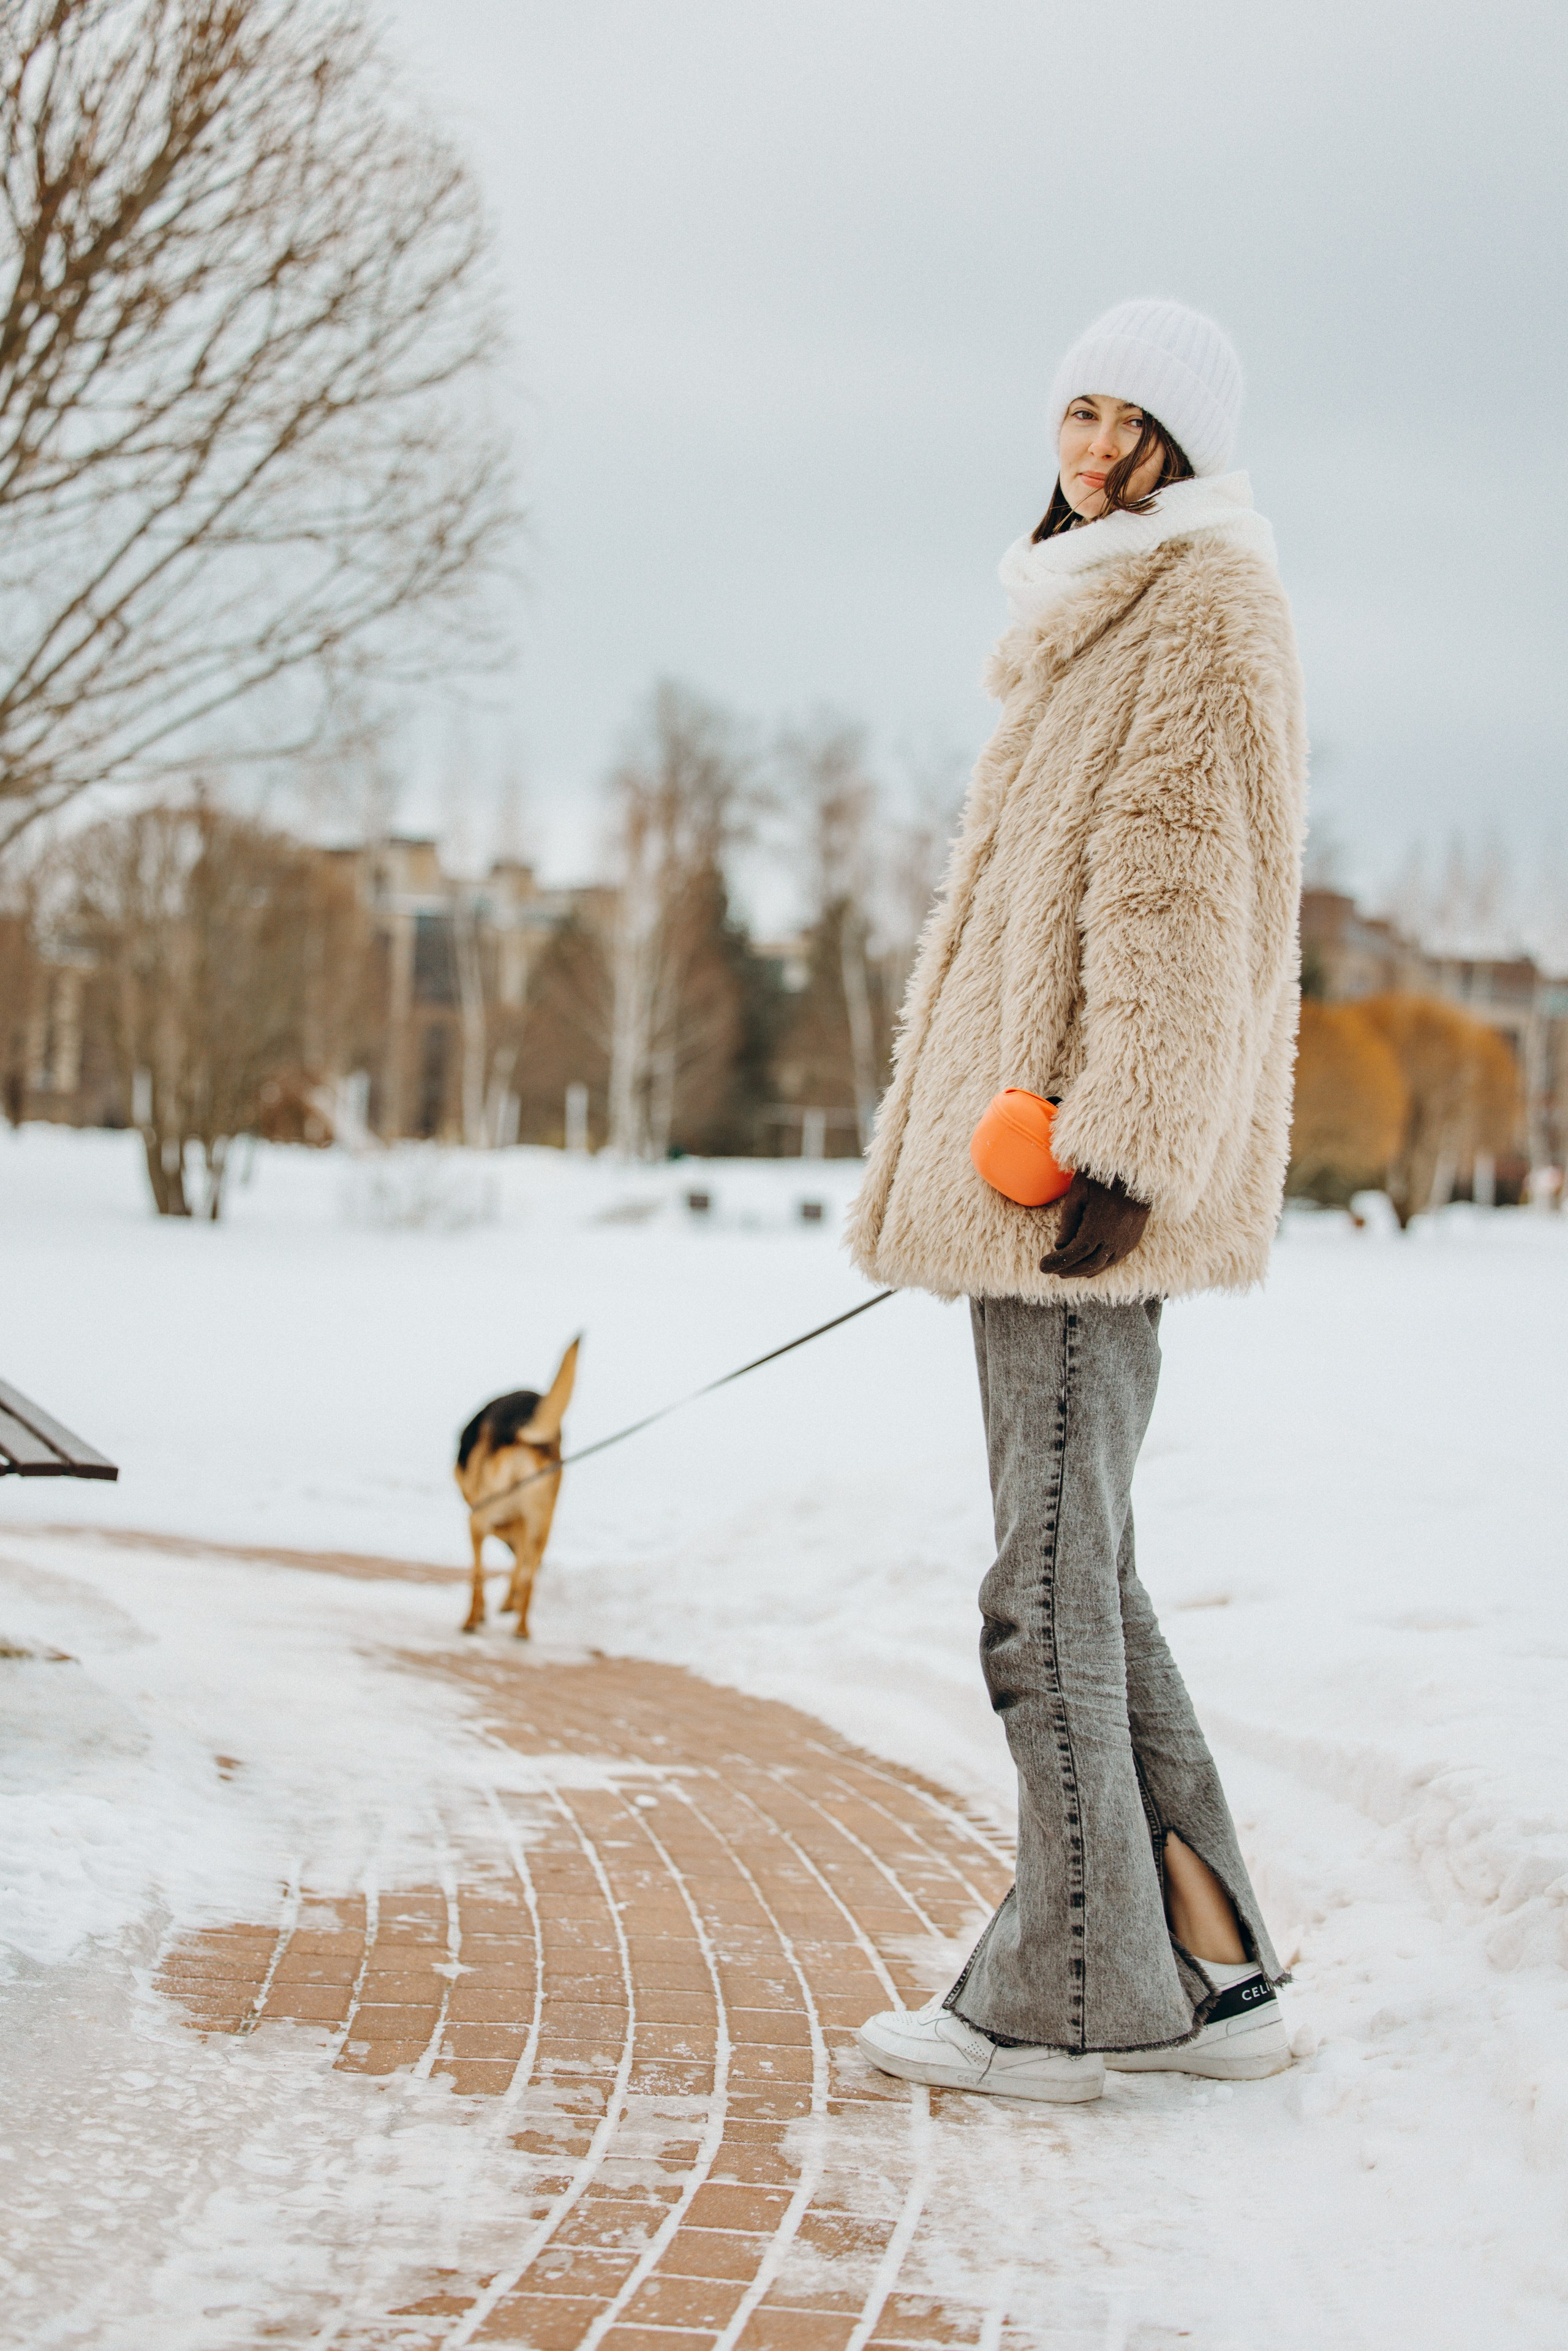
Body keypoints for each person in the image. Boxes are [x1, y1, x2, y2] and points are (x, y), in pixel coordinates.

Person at [848, 298, 1307, 2104]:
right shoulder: (1094, 600)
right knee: (1089, 1580)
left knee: (1039, 1591)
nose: (1096, 449)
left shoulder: (1203, 600)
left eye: (1132, 424)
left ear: (1188, 447)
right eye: (1077, 412)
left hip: (1074, 1184)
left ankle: (1072, 2000)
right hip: (1030, 1168)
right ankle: (1216, 1967)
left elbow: (1188, 885)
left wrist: (1125, 1146)